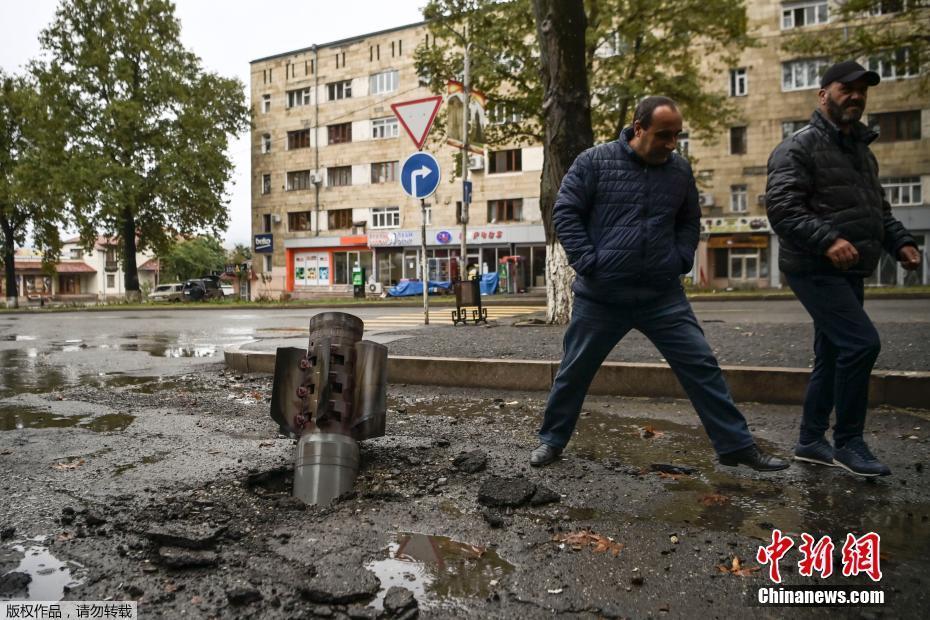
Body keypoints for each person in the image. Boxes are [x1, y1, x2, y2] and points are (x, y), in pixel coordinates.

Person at [530, 96, 789, 472]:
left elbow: (689, 220)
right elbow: (566, 212)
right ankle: (551, 441)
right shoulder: (594, 161)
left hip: (661, 295)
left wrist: (681, 259)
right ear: (638, 128)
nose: (671, 144)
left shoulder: (679, 171)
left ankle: (735, 446)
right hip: (602, 295)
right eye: (664, 135)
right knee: (575, 370)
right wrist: (589, 262)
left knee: (701, 364)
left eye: (677, 136)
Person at [765, 60, 920, 477]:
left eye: (861, 91)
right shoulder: (798, 147)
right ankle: (848, 443)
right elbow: (782, 208)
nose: (854, 96)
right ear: (823, 95)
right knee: (861, 344)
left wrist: (901, 241)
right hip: (813, 266)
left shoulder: (860, 152)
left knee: (833, 354)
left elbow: (877, 210)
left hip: (849, 269)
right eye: (844, 89)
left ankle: (811, 440)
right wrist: (828, 240)